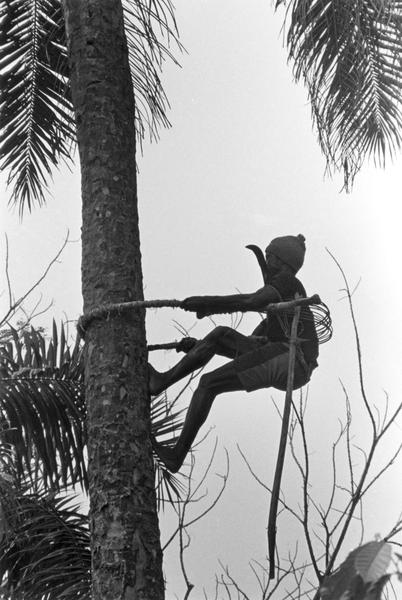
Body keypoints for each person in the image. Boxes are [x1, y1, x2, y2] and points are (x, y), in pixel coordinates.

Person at [149, 234, 318, 472]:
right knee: (220, 336)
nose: (267, 262)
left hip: (291, 359)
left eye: (270, 257)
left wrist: (208, 304)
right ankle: (161, 381)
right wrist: (200, 346)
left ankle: (176, 455)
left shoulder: (288, 283)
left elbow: (252, 301)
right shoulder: (281, 305)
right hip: (278, 352)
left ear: (280, 261)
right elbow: (248, 347)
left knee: (209, 384)